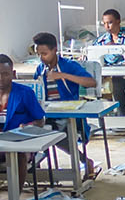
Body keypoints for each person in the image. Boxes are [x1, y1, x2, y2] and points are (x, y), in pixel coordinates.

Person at [33, 31, 98, 175]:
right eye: (39, 54)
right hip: (48, 113)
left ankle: (83, 160)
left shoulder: (69, 66)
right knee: (33, 129)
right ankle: (33, 166)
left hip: (68, 115)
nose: (41, 58)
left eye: (44, 54)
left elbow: (91, 82)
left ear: (54, 50)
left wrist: (61, 75)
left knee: (52, 132)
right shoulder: (40, 69)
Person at [0, 54, 45, 132]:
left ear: (13, 74)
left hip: (20, 140)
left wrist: (28, 127)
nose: (0, 78)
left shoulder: (25, 93)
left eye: (5, 74)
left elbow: (41, 121)